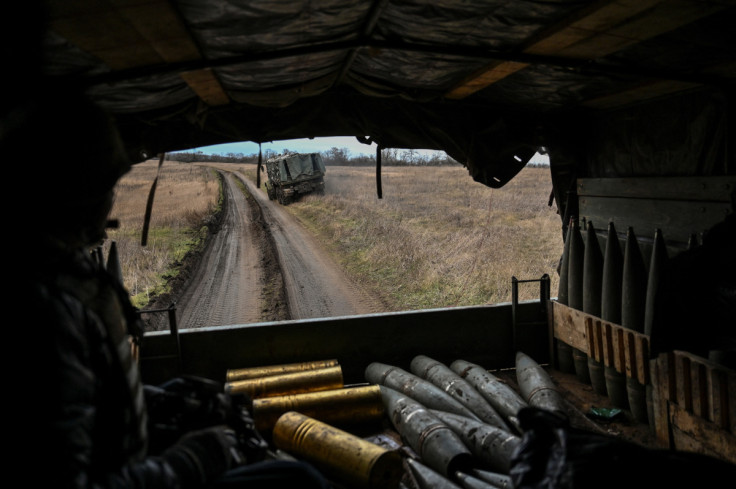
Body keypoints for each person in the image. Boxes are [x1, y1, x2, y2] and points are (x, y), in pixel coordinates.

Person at [7, 82, 329, 488]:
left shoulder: (59, 268)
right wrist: (193, 460)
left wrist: (167, 397)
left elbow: (94, 403)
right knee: (298, 480)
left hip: (130, 456)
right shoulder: (41, 306)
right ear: (66, 195)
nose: (110, 202)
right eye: (102, 187)